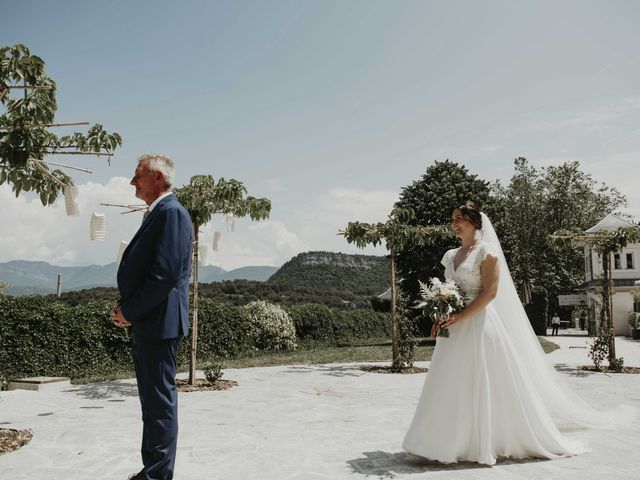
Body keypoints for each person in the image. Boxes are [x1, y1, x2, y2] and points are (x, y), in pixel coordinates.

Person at [402, 200, 616, 465]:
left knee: (484, 382)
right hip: (454, 329)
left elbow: (489, 293)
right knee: (450, 382)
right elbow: (450, 292)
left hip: (480, 325)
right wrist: (443, 314)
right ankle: (445, 441)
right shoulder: (450, 255)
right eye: (452, 219)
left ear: (474, 223)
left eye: (459, 219)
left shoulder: (486, 252)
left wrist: (458, 316)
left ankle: (486, 440)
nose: (454, 224)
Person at [111, 154, 193, 480]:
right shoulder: (158, 213)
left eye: (138, 176)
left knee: (159, 404)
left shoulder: (172, 213)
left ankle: (158, 475)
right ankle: (152, 470)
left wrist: (129, 310)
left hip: (159, 323)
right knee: (151, 404)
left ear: (157, 177)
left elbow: (165, 275)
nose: (133, 182)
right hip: (151, 322)